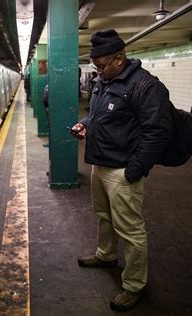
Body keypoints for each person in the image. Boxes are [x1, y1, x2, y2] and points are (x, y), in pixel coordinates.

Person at [69, 29, 173, 312]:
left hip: (123, 170)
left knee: (130, 229)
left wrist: (134, 170)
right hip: (100, 164)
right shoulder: (105, 81)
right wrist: (85, 124)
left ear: (119, 59)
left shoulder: (145, 86)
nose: (97, 72)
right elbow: (98, 112)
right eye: (95, 66)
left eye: (101, 65)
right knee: (103, 216)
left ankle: (134, 284)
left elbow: (158, 132)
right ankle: (106, 255)